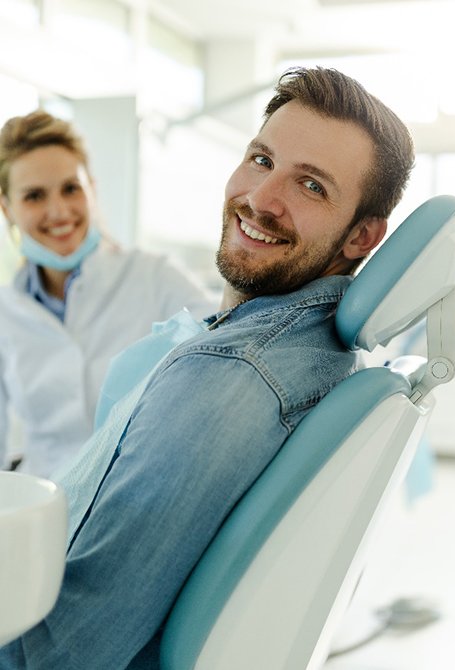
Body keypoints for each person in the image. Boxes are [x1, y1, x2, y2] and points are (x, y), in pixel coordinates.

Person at [0, 66, 414, 668]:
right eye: (262, 159)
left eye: (313, 187)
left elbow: (63, 652)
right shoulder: (291, 352)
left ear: (362, 237)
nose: (262, 200)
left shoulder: (229, 373)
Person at [0, 110, 217, 477]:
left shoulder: (154, 275)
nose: (58, 211)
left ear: (92, 190)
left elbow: (224, 337)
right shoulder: (6, 312)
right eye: (34, 196)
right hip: (42, 505)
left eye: (71, 188)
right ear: (7, 208)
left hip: (133, 490)